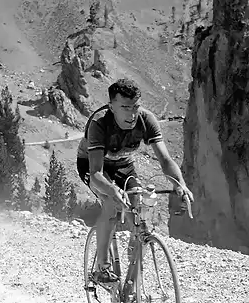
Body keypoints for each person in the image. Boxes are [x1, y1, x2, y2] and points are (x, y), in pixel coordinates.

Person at [76, 78, 193, 286]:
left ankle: (132, 284)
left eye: (135, 107)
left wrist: (180, 183)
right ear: (111, 106)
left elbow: (165, 160)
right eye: (125, 108)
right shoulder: (99, 123)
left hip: (123, 164)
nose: (132, 114)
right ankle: (102, 267)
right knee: (111, 204)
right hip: (93, 166)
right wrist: (112, 191)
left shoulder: (146, 120)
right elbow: (96, 174)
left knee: (141, 212)